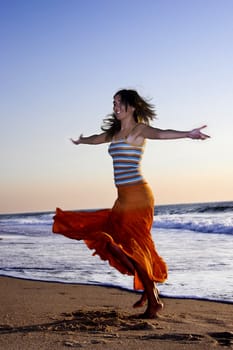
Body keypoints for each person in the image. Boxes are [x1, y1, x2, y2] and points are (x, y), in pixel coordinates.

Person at [53, 89, 210, 318]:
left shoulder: (139, 130)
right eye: (114, 103)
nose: (115, 106)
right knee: (123, 244)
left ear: (132, 107)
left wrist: (188, 133)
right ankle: (150, 290)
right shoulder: (116, 133)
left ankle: (153, 299)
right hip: (122, 199)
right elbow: (97, 139)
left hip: (138, 198)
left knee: (126, 246)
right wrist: (81, 141)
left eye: (119, 103)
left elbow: (162, 133)